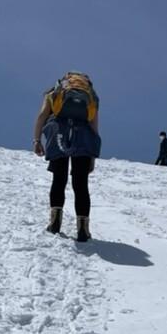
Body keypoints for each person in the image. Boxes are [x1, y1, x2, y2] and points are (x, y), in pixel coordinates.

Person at [33, 72, 101, 242]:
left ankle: (55, 223)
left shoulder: (54, 94)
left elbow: (42, 116)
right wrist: (92, 156)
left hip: (58, 131)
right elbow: (94, 127)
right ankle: (83, 230)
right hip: (83, 137)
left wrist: (37, 140)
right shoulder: (92, 97)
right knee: (81, 184)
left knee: (59, 178)